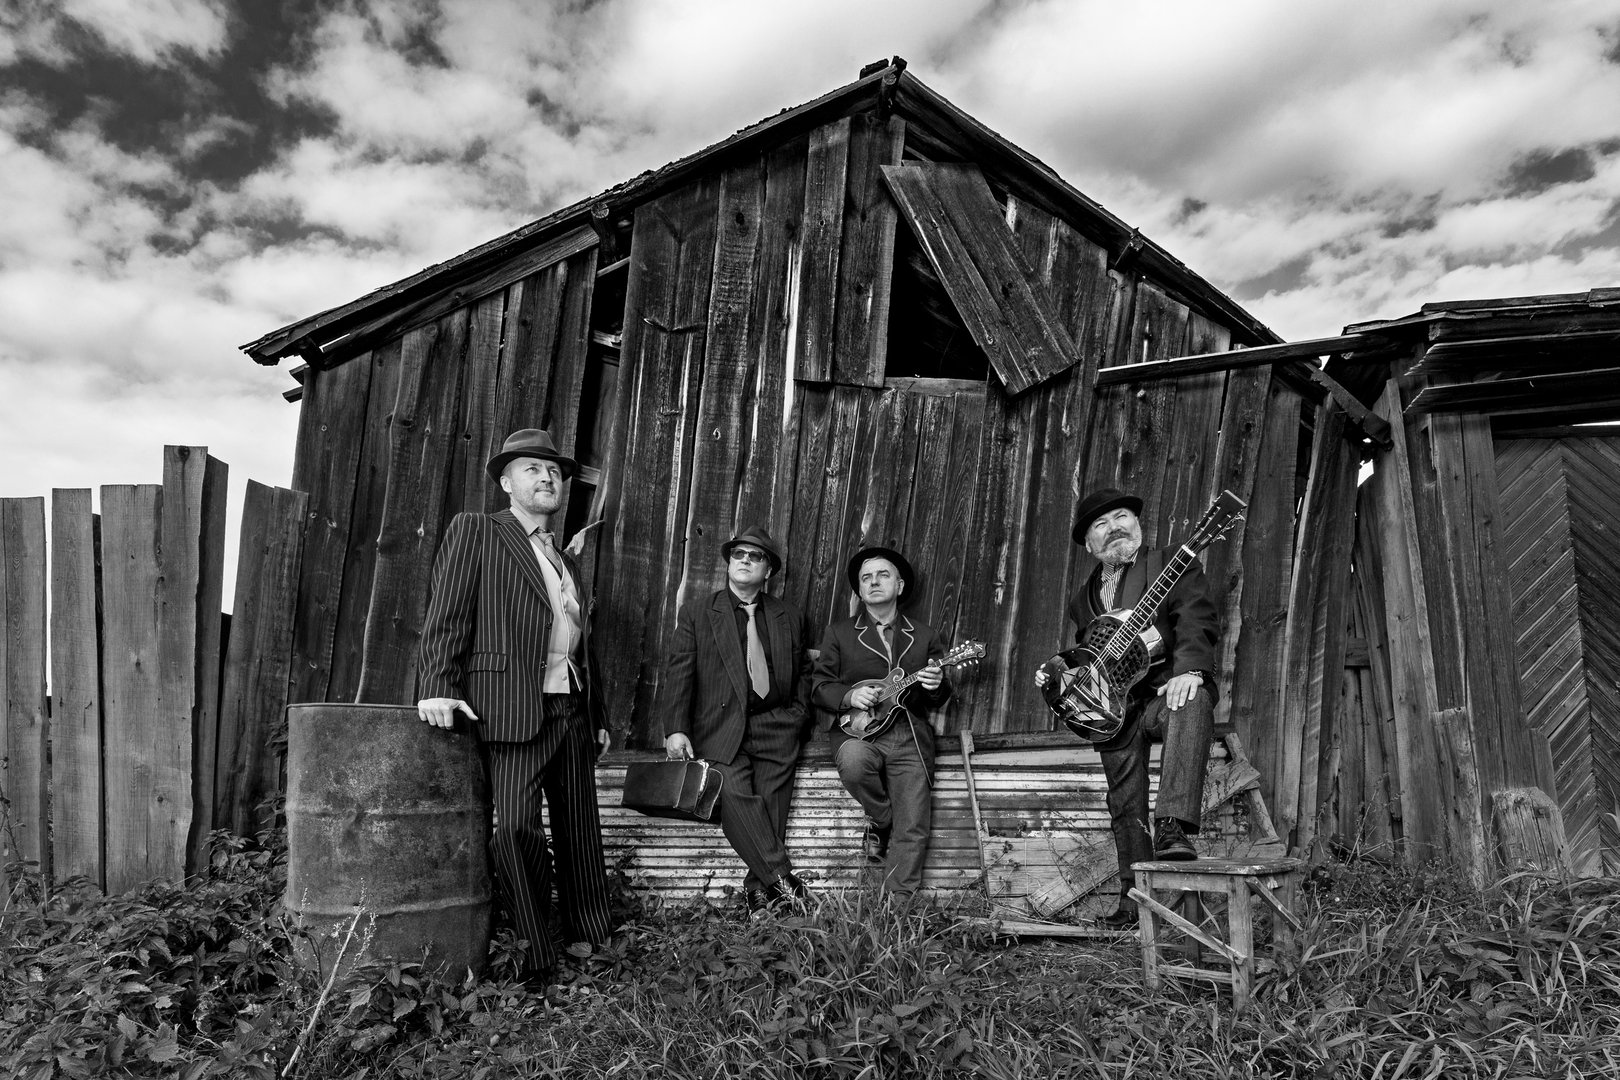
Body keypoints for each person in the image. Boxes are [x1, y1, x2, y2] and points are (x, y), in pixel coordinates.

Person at [416, 428, 612, 983]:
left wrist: (597, 716)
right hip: (510, 706)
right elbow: (447, 612)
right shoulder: (478, 530)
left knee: (581, 830)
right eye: (532, 469)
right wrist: (438, 683)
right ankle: (536, 955)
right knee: (516, 830)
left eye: (554, 472)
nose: (547, 478)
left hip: (571, 710)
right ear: (506, 483)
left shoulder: (565, 559)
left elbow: (579, 643)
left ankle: (593, 942)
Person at [1036, 487, 1219, 929]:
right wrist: (1059, 675)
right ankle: (1133, 903)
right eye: (1100, 524)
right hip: (1116, 710)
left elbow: (1195, 617)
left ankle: (1173, 825)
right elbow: (1093, 654)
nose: (1114, 527)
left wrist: (1190, 670)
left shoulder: (1170, 562)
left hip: (1163, 693)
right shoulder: (1082, 599)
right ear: (1089, 544)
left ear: (1136, 523)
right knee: (1124, 802)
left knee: (1191, 700)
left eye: (1121, 517)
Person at [659, 526, 814, 916]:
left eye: (755, 556)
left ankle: (758, 895)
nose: (744, 560)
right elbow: (679, 672)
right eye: (738, 553)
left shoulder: (789, 615)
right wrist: (676, 728)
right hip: (720, 727)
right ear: (729, 562)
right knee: (734, 796)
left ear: (768, 570)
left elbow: (802, 673)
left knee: (772, 809)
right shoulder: (698, 611)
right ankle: (785, 884)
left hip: (777, 725)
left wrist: (797, 716)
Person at [811, 547, 951, 898]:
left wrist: (936, 685)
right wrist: (849, 696)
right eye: (866, 578)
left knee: (913, 822)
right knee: (854, 762)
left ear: (899, 586)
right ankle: (882, 819)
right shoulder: (839, 633)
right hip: (860, 729)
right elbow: (819, 685)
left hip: (908, 731)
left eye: (883, 575)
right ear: (859, 591)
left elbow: (940, 695)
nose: (874, 582)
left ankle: (897, 904)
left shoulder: (924, 635)